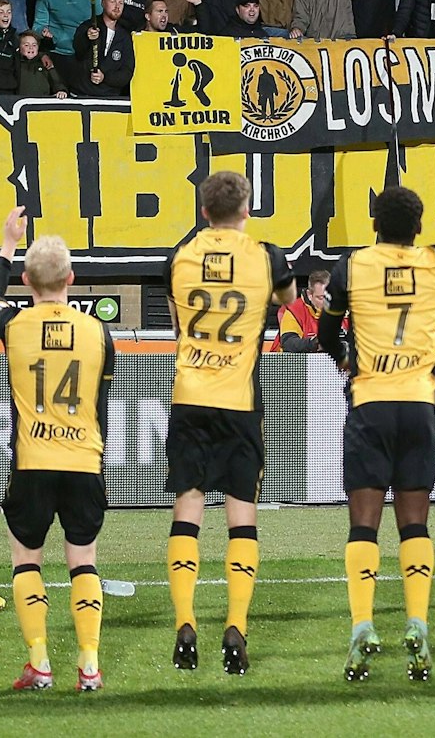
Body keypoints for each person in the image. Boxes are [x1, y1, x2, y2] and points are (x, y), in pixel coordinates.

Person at [164, 170, 296, 676]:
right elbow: (289, 302)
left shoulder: (179, 257)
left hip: (190, 394)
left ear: (204, 212)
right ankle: (236, 625)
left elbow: (178, 323)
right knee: (242, 514)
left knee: (188, 505)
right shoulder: (266, 256)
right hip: (239, 400)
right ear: (246, 210)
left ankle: (185, 620)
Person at [317, 187, 435, 682]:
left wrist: (345, 358)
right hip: (418, 404)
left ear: (374, 225)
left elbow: (327, 333)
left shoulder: (352, 267)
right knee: (414, 525)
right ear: (419, 227)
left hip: (371, 402)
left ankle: (362, 626)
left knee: (364, 526)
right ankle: (418, 623)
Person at [0, 208, 113, 692]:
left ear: (26, 281)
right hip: (83, 460)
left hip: (33, 461)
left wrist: (8, 244)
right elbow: (101, 396)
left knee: (26, 561)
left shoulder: (14, 325)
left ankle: (39, 662)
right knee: (84, 561)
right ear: (71, 279)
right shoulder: (98, 331)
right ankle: (89, 665)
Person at [275, 270, 329, 353]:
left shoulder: (344, 308)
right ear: (309, 295)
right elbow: (288, 343)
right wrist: (314, 343)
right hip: (293, 359)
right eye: (321, 298)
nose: (327, 302)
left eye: (330, 296)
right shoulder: (295, 310)